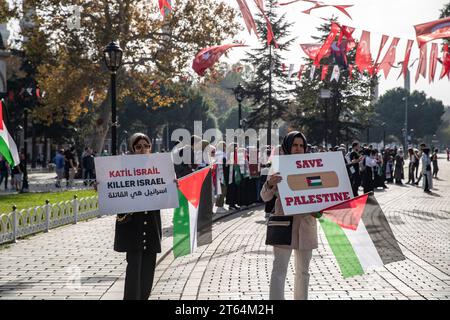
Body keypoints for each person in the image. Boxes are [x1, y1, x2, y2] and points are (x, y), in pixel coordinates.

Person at [260, 131, 319, 300]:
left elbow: (321, 194)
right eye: (294, 145)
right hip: (284, 224)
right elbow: (265, 197)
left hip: (307, 225)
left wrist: (319, 210)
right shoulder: (278, 167)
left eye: (301, 145)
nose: (298, 149)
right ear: (287, 146)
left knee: (303, 272)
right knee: (279, 270)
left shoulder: (313, 167)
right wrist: (269, 183)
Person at [112, 133, 162, 300]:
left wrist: (172, 184)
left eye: (146, 146)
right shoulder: (123, 168)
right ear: (133, 149)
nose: (143, 150)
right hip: (133, 225)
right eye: (139, 147)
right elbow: (113, 187)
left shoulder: (159, 168)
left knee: (149, 267)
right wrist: (102, 186)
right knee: (134, 266)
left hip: (151, 223)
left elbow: (165, 193)